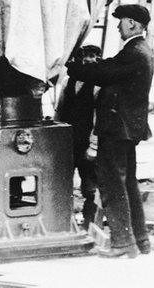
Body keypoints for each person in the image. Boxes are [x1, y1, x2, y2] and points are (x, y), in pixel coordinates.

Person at [66, 4, 154, 258]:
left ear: (132, 24)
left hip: (116, 130)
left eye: (121, 21)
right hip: (127, 130)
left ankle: (122, 244)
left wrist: (72, 66)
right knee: (128, 185)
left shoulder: (133, 52)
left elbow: (104, 72)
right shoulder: (140, 51)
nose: (117, 26)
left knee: (112, 185)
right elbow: (109, 68)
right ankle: (140, 240)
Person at [56, 44, 102, 228]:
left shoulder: (97, 86)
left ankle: (89, 222)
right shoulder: (68, 82)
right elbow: (60, 109)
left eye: (93, 56)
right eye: (86, 56)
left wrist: (93, 146)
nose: (89, 60)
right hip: (68, 141)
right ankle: (64, 221)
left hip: (86, 142)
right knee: (63, 183)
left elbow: (99, 118)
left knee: (90, 185)